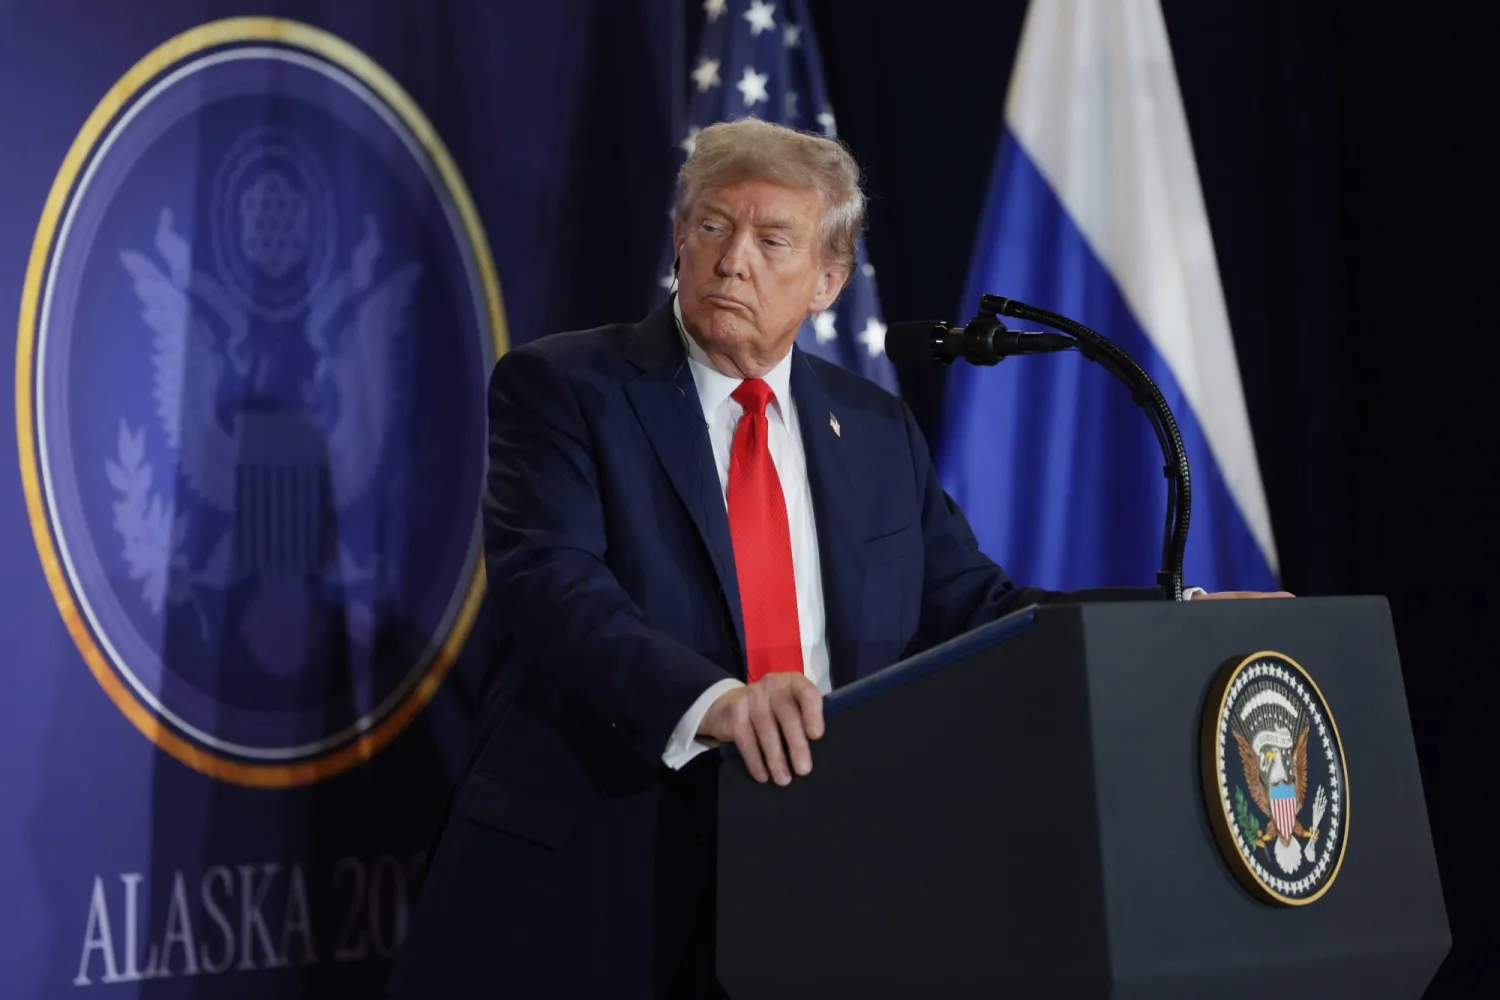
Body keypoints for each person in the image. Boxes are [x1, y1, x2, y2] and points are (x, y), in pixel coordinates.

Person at [386, 118, 1289, 1000]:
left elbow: (977, 609)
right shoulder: (565, 388)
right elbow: (556, 589)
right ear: (679, 238)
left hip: (815, 873)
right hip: (606, 869)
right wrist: (718, 703)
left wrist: (1174, 621)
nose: (733, 259)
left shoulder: (873, 427)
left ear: (827, 280)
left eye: (772, 239)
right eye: (712, 227)